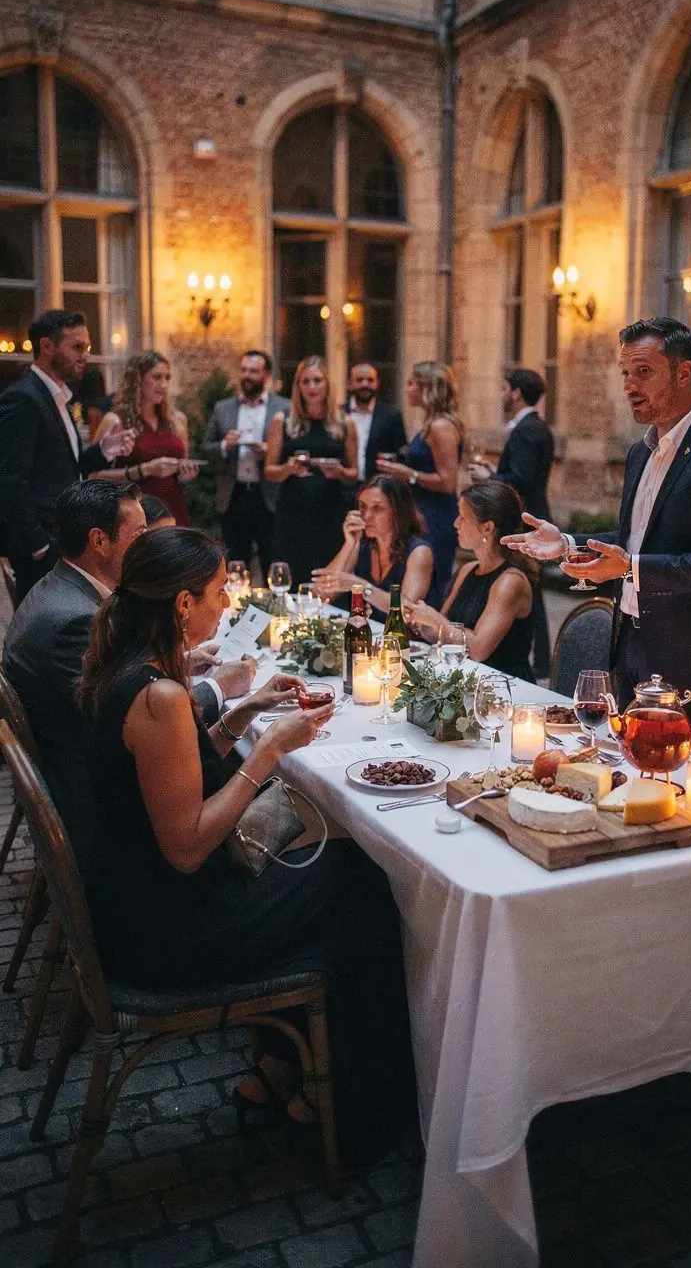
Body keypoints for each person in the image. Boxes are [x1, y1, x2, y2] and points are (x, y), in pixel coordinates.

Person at [77, 527, 415, 1159]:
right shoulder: (160, 695)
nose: (228, 602)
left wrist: (242, 709)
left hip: (133, 900)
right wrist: (267, 749)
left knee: (330, 865)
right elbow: (187, 845)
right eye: (218, 590)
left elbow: (170, 775)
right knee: (364, 880)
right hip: (166, 928)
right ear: (181, 603)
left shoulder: (129, 670)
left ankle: (278, 1068)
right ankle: (353, 1109)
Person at [502, 318, 691, 746]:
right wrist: (569, 543)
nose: (629, 384)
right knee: (624, 776)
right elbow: (635, 538)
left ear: (685, 372)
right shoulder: (640, 452)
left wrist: (633, 568)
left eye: (643, 372)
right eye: (625, 372)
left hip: (689, 656)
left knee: (675, 793)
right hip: (628, 643)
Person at [2, 483, 255, 868]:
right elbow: (130, 708)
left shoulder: (61, 589)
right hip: (97, 808)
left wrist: (178, 663)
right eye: (140, 533)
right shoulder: (74, 618)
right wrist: (219, 689)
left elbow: (117, 679)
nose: (149, 541)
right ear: (99, 541)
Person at [0, 311, 135, 602]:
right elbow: (10, 479)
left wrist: (103, 450)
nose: (86, 355)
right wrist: (39, 546)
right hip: (41, 548)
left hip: (61, 538)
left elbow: (64, 467)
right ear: (47, 346)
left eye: (86, 347)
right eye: (77, 347)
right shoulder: (23, 398)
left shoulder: (58, 396)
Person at [404, 481, 535, 681]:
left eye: (463, 517)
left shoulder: (510, 582)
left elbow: (478, 649)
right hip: (466, 679)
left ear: (487, 528)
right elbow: (443, 634)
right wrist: (418, 620)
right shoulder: (467, 570)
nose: (456, 523)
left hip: (504, 687)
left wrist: (433, 618)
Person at [470, 368, 554, 677]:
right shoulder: (534, 427)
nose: (502, 394)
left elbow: (521, 481)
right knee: (534, 591)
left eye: (504, 388)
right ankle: (543, 659)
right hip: (534, 515)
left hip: (527, 520)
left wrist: (488, 477)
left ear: (516, 392)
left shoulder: (527, 430)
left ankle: (540, 660)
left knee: (529, 589)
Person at [264, 356, 358, 589]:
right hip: (293, 512)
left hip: (331, 511)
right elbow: (269, 471)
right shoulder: (282, 420)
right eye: (305, 382)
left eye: (317, 381)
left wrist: (339, 472)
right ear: (298, 386)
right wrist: (288, 468)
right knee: (292, 574)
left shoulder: (345, 422)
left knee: (327, 578)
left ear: (327, 384)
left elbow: (355, 472)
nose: (312, 387)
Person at [376, 361, 464, 601]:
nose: (407, 389)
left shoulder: (440, 426)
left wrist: (408, 474)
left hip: (435, 515)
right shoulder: (430, 422)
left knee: (430, 582)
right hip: (421, 510)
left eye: (412, 383)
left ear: (428, 387)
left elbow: (447, 482)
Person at [201, 350, 289, 582]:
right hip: (234, 495)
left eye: (254, 371)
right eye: (244, 370)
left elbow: (291, 450)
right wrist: (224, 445)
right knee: (234, 565)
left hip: (268, 496)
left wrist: (270, 452)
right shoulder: (223, 408)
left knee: (273, 562)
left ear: (266, 374)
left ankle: (274, 613)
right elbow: (205, 449)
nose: (247, 375)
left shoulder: (284, 408)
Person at [92, 351, 198, 525]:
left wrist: (186, 474)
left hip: (173, 508)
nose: (163, 385)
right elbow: (94, 476)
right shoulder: (115, 420)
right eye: (157, 377)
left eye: (167, 378)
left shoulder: (177, 420)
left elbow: (181, 467)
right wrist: (145, 469)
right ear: (137, 380)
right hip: (134, 511)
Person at [312, 475, 434, 622]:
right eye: (362, 507)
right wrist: (349, 545)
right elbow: (322, 595)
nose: (367, 516)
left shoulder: (419, 552)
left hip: (408, 641)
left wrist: (363, 588)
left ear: (397, 512)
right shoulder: (362, 546)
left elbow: (406, 611)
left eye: (377, 508)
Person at [343, 362, 406, 484]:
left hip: (379, 487)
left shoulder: (392, 416)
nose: (365, 384)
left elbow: (400, 455)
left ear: (377, 384)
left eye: (370, 380)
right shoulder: (339, 414)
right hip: (343, 490)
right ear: (349, 384)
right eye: (359, 380)